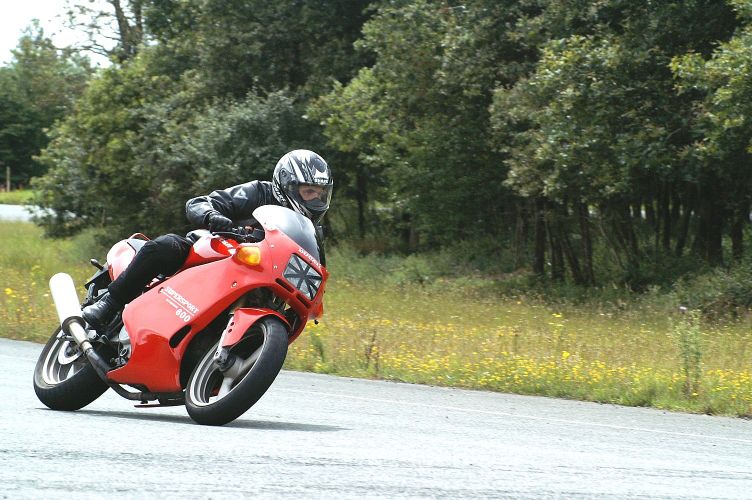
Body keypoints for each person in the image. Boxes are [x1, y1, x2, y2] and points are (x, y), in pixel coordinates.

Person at [82, 149, 333, 329]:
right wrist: (213, 216)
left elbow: (315, 267)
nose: (315, 200)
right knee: (166, 246)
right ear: (287, 185)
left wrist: (313, 300)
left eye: (320, 194)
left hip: (259, 277)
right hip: (215, 252)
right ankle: (110, 302)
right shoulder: (259, 192)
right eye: (309, 191)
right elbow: (201, 202)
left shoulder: (310, 231)